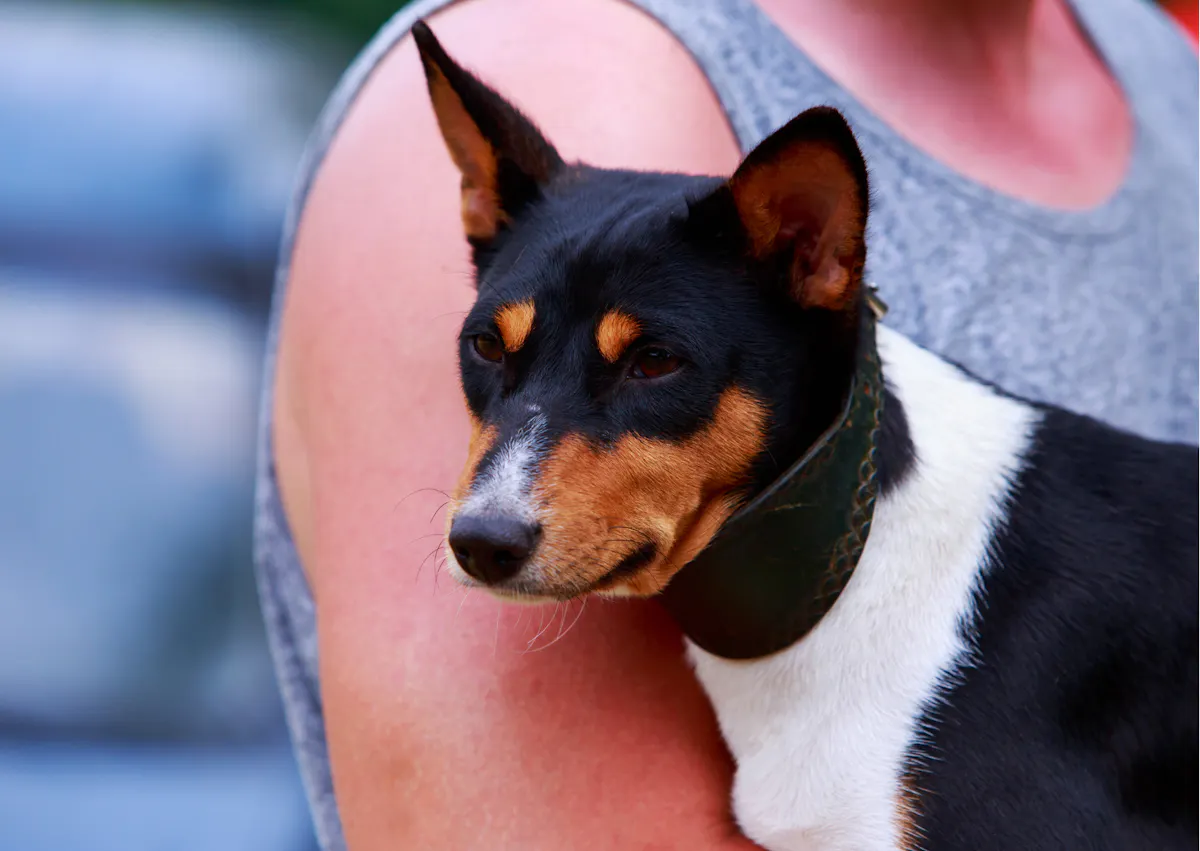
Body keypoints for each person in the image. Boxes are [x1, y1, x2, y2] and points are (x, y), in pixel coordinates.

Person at [255, 0, 1198, 847]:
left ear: (811, 246)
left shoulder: (1161, 62)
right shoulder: (587, 56)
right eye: (492, 353)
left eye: (650, 365)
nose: (494, 506)